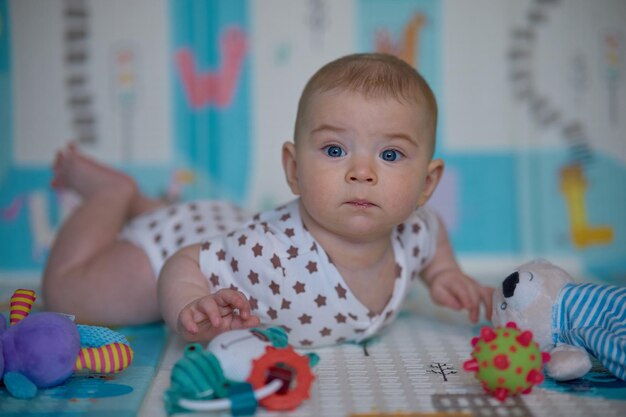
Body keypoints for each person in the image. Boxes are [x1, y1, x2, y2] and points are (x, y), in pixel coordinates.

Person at [43, 53, 493, 348]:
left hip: (224, 223)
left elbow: (432, 239)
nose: (362, 171)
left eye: (390, 154)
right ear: (294, 169)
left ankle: (147, 203)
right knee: (70, 294)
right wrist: (188, 305)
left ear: (426, 185)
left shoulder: (416, 230)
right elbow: (187, 262)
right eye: (335, 150)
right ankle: (113, 195)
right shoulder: (268, 253)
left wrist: (445, 274)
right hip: (173, 245)